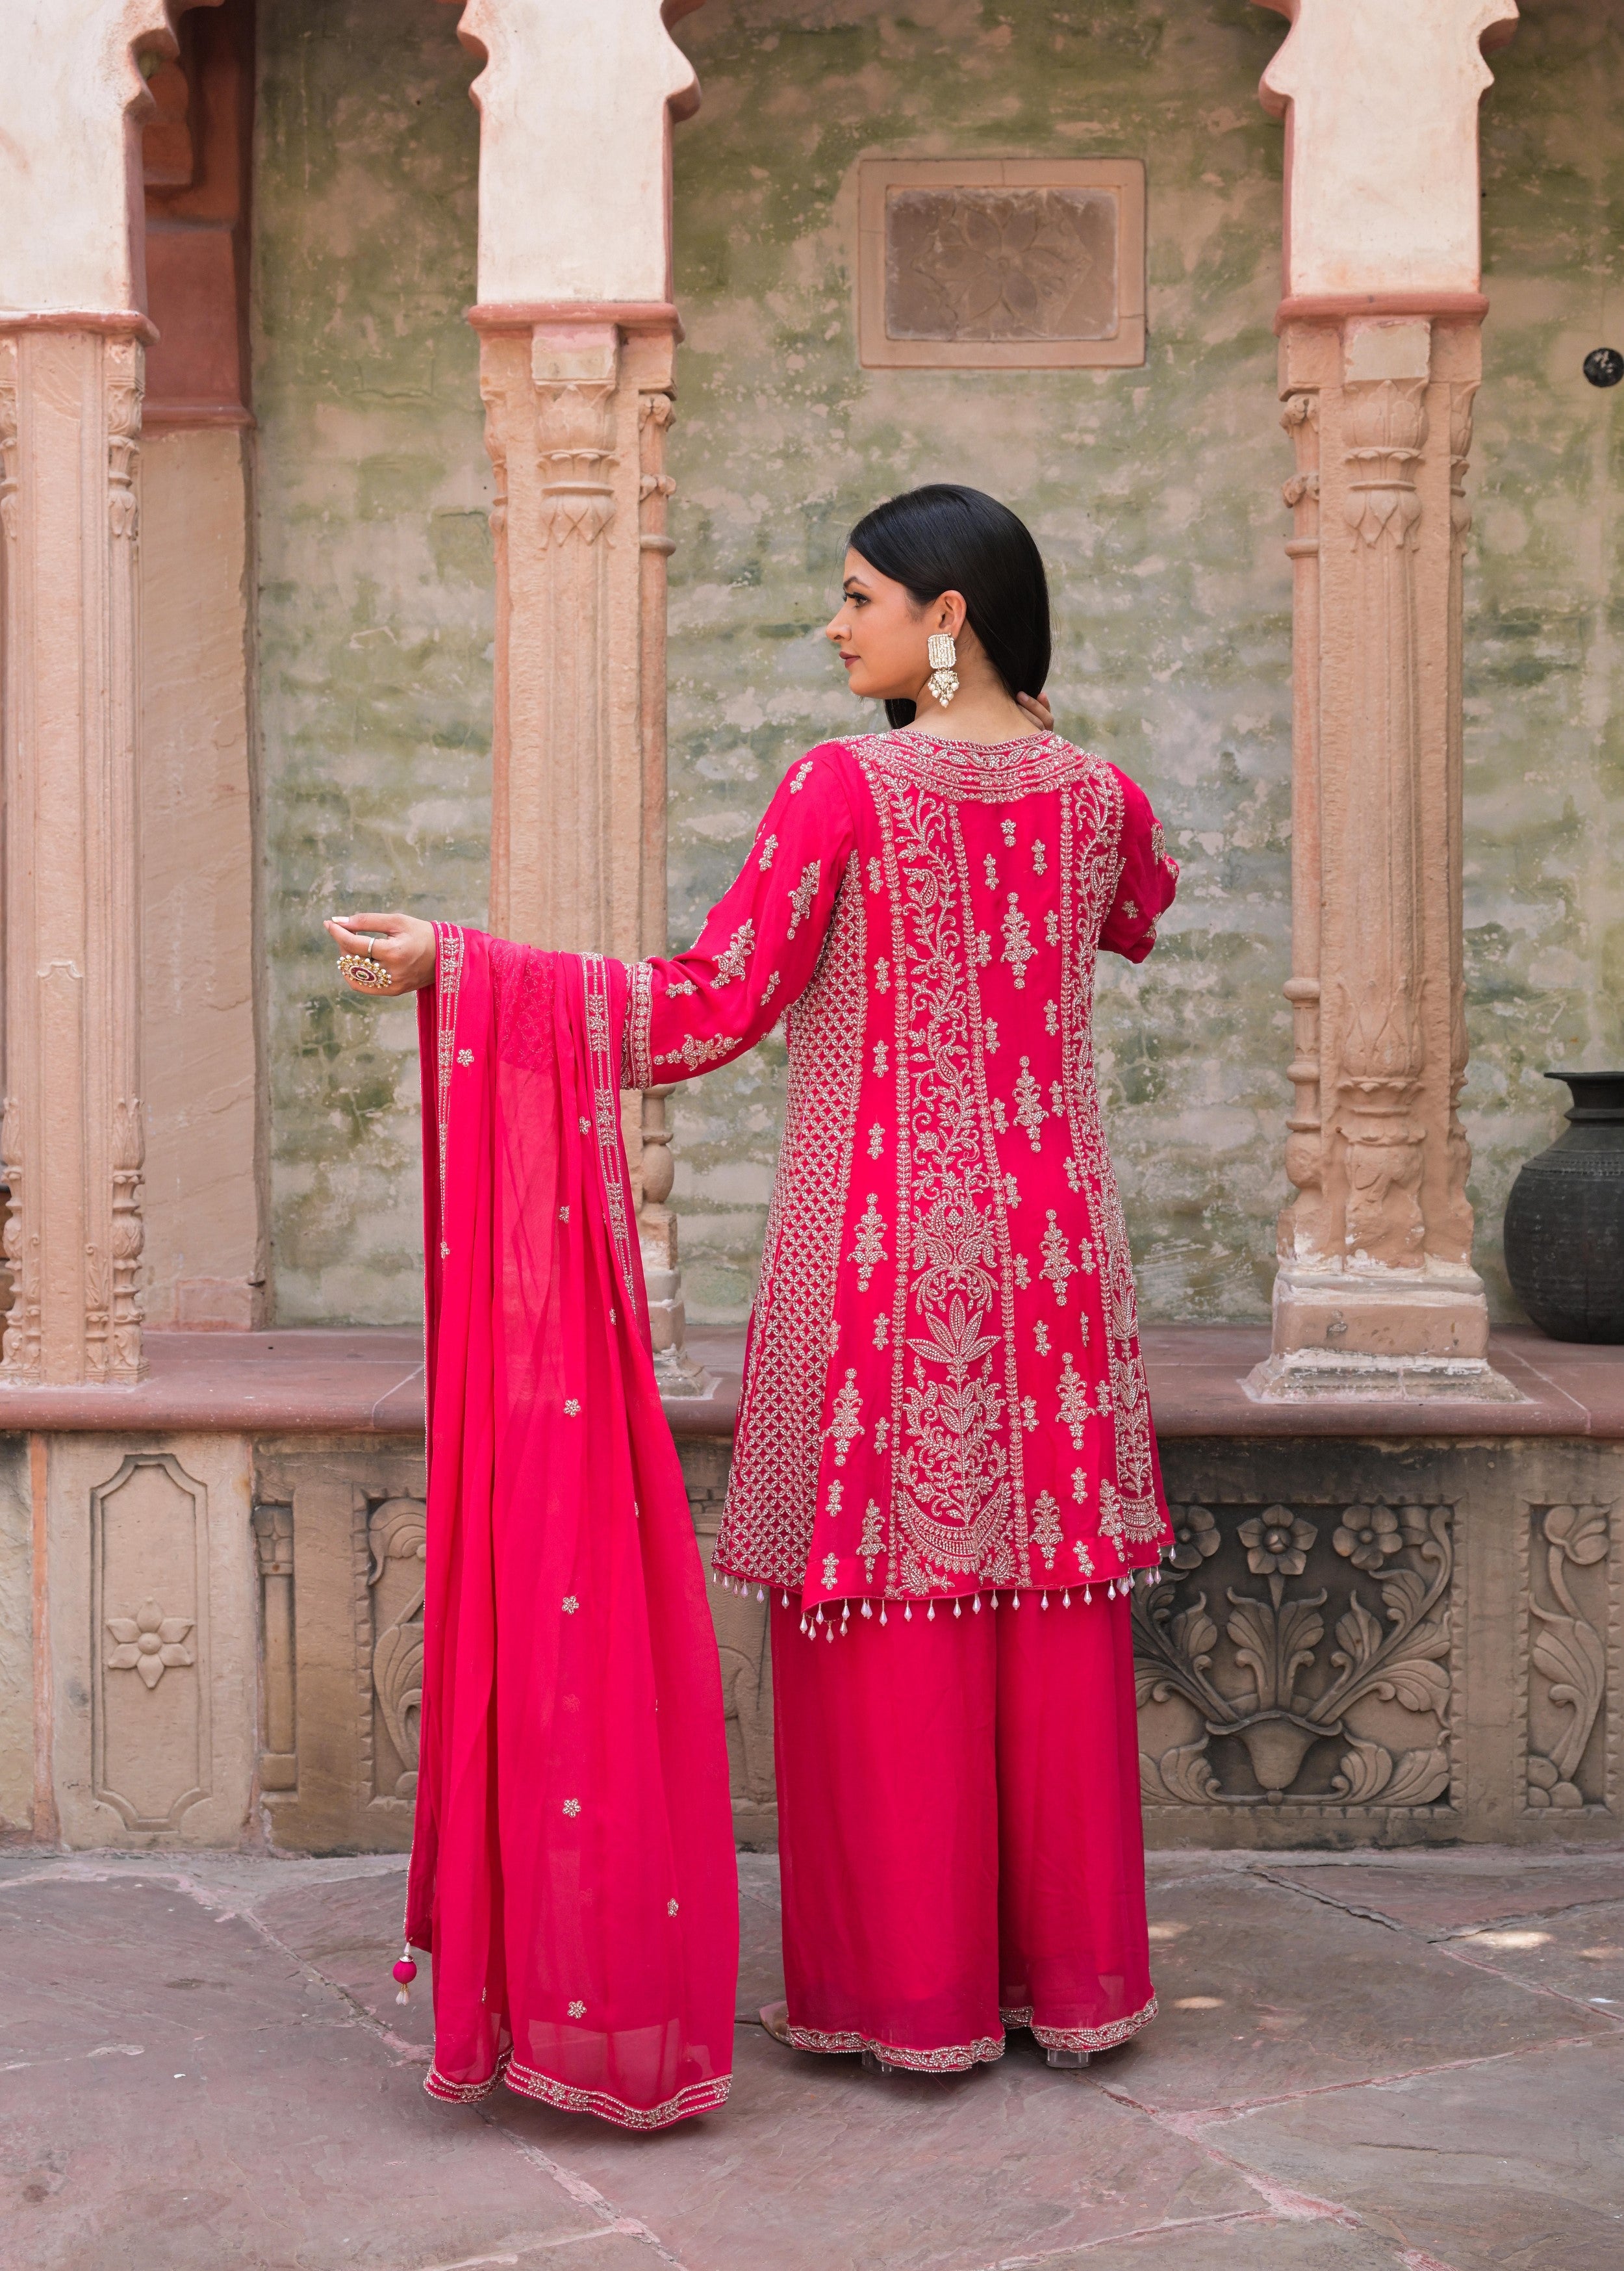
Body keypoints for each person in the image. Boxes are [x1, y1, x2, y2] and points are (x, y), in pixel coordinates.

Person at [329, 481, 1178, 2085]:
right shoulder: (1100, 798)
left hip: (872, 1255)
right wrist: (1032, 725)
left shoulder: (841, 789)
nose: (832, 622)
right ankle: (1062, 1984)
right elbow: (1138, 911)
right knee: (1043, 1602)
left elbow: (706, 1007)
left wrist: (468, 965)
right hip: (1057, 1264)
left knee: (889, 1618)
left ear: (945, 616)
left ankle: (907, 1995)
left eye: (858, 596)